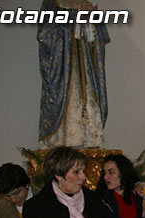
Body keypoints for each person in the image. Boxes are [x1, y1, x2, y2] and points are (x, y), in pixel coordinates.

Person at [38, 0, 109, 148]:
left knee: (87, 97)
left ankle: (89, 139)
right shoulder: (52, 3)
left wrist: (92, 19)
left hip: (85, 65)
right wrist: (75, 16)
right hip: (64, 69)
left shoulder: (84, 2)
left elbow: (98, 40)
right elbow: (46, 34)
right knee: (69, 100)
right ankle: (64, 143)